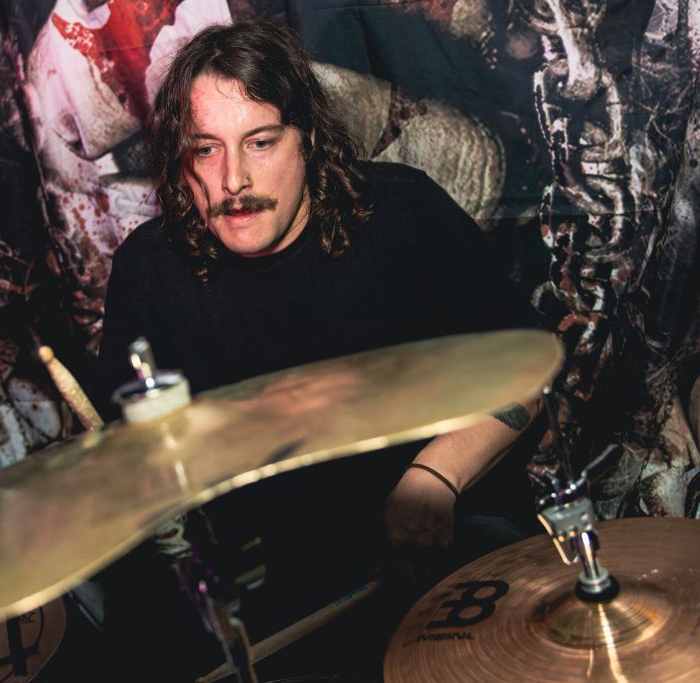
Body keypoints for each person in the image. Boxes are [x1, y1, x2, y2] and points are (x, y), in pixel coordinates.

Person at [95, 18, 540, 680]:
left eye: (261, 141)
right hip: (274, 584)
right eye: (205, 150)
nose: (233, 179)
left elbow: (527, 374)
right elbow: (134, 472)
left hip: (437, 543)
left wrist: (434, 477)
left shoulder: (401, 214)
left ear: (308, 137)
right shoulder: (149, 270)